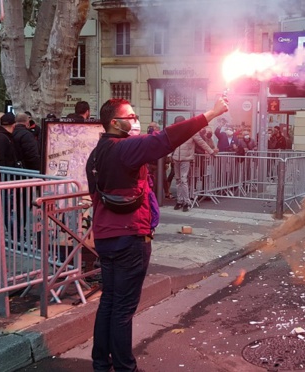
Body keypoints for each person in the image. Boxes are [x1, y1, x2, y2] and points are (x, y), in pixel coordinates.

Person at [86, 96, 228, 372]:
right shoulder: (125, 148)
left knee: (110, 302)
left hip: (105, 236)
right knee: (123, 309)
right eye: (130, 116)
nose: (135, 120)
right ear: (114, 122)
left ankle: (101, 363)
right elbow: (166, 139)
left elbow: (96, 194)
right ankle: (126, 367)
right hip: (129, 237)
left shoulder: (97, 152)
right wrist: (210, 113)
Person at [171, 115, 218, 212]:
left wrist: (211, 151)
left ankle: (186, 202)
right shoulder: (175, 131)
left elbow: (201, 143)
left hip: (186, 158)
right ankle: (180, 201)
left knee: (183, 180)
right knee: (178, 180)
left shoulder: (191, 131)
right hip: (176, 158)